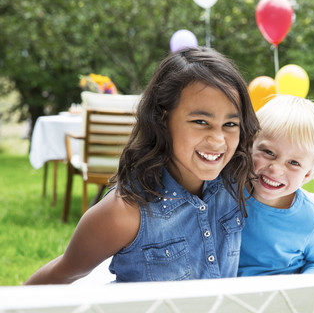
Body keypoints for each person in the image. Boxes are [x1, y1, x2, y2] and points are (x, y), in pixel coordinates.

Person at [25, 47, 260, 284]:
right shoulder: (124, 211)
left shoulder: (238, 183)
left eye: (230, 124)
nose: (218, 140)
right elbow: (62, 273)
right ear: (162, 119)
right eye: (201, 121)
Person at [237, 95, 314, 276]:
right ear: (250, 145)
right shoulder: (227, 191)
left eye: (294, 163)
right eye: (268, 152)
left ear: (309, 173)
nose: (275, 169)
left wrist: (301, 288)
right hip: (223, 293)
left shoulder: (310, 217)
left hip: (280, 297)